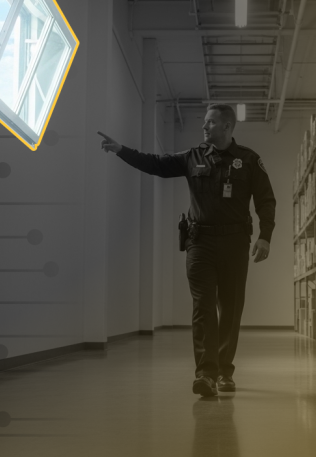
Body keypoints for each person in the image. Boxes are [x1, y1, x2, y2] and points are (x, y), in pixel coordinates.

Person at [98, 104, 276, 397]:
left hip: (235, 244)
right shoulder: (193, 157)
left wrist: (265, 236)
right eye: (204, 122)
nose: (204, 127)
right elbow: (156, 164)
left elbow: (266, 200)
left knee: (230, 309)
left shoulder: (248, 160)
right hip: (199, 243)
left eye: (210, 122)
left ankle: (224, 371)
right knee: (203, 308)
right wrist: (121, 151)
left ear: (227, 126)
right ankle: (206, 373)